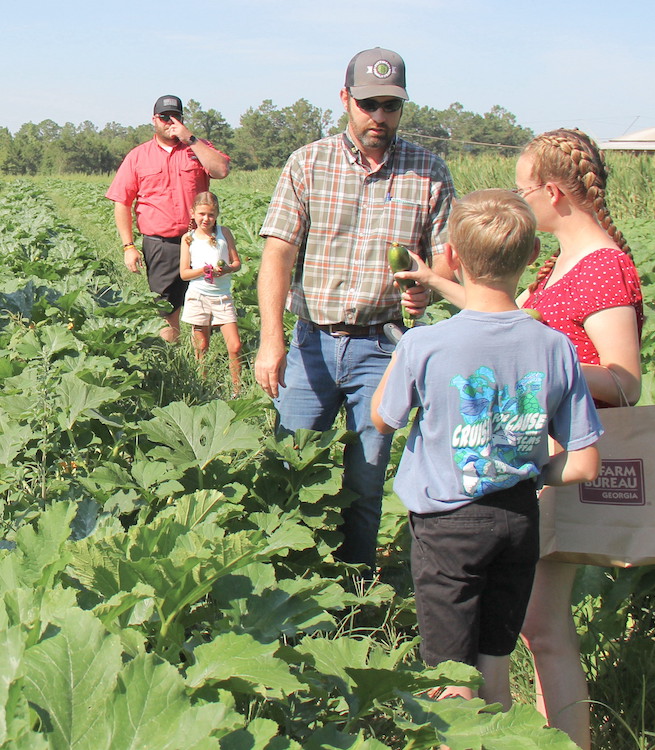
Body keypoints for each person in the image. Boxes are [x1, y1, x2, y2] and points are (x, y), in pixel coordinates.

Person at [396, 129, 643, 749]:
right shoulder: (563, 261)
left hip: (561, 452)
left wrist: (534, 369)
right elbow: (503, 319)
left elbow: (625, 380)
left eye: (523, 187)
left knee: (545, 632)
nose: (518, 198)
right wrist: (447, 286)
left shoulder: (604, 267)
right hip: (534, 453)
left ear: (553, 193)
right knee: (525, 630)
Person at [370, 189, 602, 713]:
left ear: (451, 255)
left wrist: (403, 347)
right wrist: (524, 467)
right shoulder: (556, 346)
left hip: (447, 526)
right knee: (495, 664)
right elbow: (585, 463)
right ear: (529, 259)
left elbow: (382, 417)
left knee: (450, 680)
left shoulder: (426, 344)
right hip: (519, 519)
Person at [254, 47, 455, 571]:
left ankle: (353, 590)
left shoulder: (428, 172)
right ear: (345, 99)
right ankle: (287, 586)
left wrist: (427, 289)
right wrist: (270, 340)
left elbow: (446, 266)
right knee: (292, 468)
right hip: (310, 343)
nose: (379, 117)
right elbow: (277, 253)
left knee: (366, 483)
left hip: (383, 348)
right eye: (368, 104)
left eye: (390, 106)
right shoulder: (309, 162)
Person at [107, 95, 230, 342]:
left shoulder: (197, 149)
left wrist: (191, 139)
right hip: (160, 244)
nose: (170, 122)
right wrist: (128, 246)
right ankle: (172, 359)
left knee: (203, 305)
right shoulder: (138, 156)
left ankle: (201, 365)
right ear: (154, 120)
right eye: (164, 117)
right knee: (165, 308)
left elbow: (221, 170)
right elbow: (122, 202)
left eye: (176, 117)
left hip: (199, 241)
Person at [179, 191, 243, 396]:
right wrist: (203, 270)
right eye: (202, 214)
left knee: (235, 345)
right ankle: (203, 387)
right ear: (193, 214)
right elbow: (184, 273)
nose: (206, 219)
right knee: (201, 346)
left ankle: (237, 390)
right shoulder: (188, 239)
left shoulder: (225, 233)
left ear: (217, 215)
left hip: (222, 296)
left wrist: (227, 269)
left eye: (211, 215)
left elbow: (236, 263)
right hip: (198, 296)